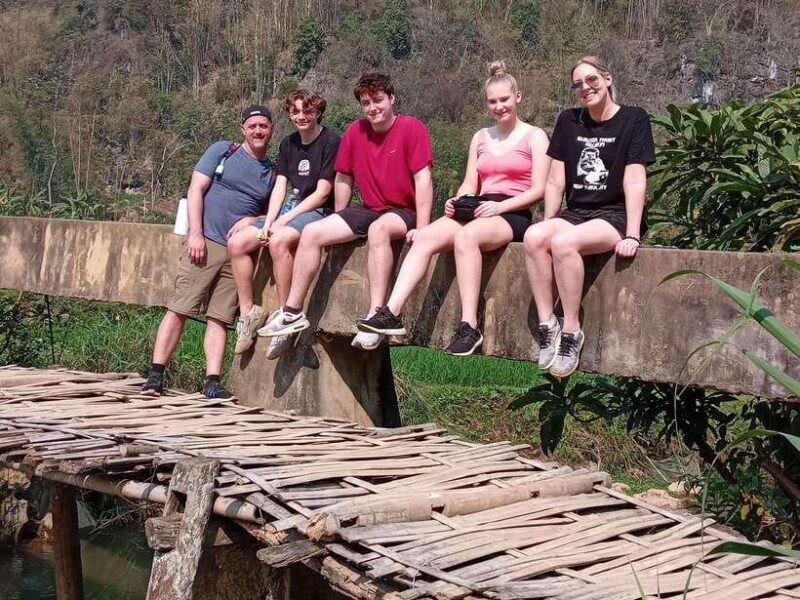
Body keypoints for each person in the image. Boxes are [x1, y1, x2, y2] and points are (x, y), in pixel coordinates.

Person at [358, 61, 550, 355]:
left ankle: (469, 326)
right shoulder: (481, 137)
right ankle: (390, 313)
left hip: (513, 212)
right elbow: (470, 182)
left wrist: (500, 208)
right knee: (423, 237)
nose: (499, 106)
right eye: (493, 102)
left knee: (466, 237)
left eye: (504, 100)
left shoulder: (534, 136)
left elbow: (538, 190)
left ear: (518, 97)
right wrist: (458, 201)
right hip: (479, 207)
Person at [257, 72, 434, 350]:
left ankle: (376, 316)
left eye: (378, 100)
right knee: (312, 232)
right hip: (368, 207)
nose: (372, 108)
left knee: (379, 230)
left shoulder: (411, 128)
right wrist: (339, 217)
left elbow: (423, 179)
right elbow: (343, 177)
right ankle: (292, 311)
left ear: (391, 98)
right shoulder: (355, 131)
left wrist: (422, 228)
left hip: (403, 210)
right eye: (366, 103)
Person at [523, 55, 655, 377]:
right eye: (578, 84)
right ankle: (548, 324)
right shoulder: (569, 121)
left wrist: (633, 234)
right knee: (534, 236)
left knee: (564, 242)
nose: (586, 88)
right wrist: (548, 220)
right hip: (577, 211)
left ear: (607, 79)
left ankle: (571, 330)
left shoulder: (634, 119)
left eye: (592, 80)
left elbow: (635, 179)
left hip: (614, 215)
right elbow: (555, 181)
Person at [141, 104, 275, 398]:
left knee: (219, 317)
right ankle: (155, 376)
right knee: (180, 309)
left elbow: (271, 213)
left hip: (238, 253)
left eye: (263, 126)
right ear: (243, 129)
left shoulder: (272, 172)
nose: (258, 131)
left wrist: (252, 220)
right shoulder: (223, 151)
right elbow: (196, 190)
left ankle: (212, 382)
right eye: (252, 126)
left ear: (271, 130)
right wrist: (196, 234)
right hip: (205, 242)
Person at [227, 89, 340, 358]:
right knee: (237, 243)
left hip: (319, 211)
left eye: (307, 111)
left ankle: (285, 317)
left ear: (318, 111)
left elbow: (322, 193)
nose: (301, 116)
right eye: (295, 111)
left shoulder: (331, 142)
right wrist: (270, 220)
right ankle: (248, 314)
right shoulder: (289, 144)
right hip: (290, 209)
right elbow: (281, 185)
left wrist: (283, 221)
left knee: (278, 241)